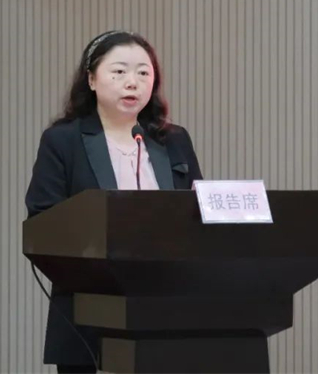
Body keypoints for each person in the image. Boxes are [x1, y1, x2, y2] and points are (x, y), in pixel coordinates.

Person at [24, 30, 204, 373]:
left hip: (166, 301)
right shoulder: (63, 141)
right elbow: (42, 219)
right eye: (119, 71)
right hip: (88, 302)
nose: (132, 82)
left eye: (143, 73)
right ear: (91, 79)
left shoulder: (173, 140)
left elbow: (199, 211)